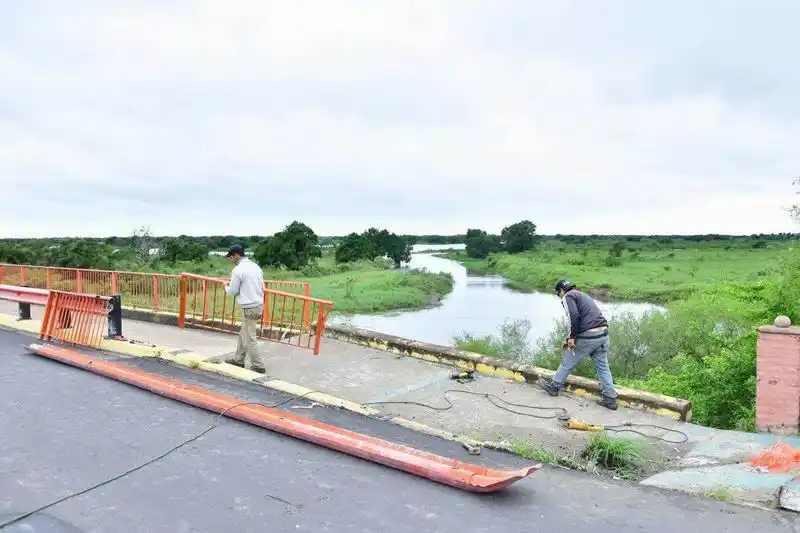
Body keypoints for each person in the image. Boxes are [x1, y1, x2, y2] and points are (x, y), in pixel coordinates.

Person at [538, 279, 619, 410]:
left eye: (558, 293)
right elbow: (585, 319)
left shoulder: (568, 296)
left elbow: (573, 317)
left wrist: (572, 338)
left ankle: (554, 386)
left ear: (561, 291)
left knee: (568, 361)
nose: (559, 296)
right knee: (603, 367)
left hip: (589, 336)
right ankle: (610, 398)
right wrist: (569, 337)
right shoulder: (582, 295)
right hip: (603, 334)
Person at [223, 244, 266, 373]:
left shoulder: (238, 270)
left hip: (249, 307)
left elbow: (232, 291)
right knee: (244, 333)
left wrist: (225, 286)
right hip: (258, 304)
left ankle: (258, 365)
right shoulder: (255, 266)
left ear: (236, 255)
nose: (230, 259)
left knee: (249, 337)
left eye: (230, 257)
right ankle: (238, 360)